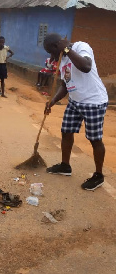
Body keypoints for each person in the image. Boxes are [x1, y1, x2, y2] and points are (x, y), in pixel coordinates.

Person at [44, 33, 108, 191]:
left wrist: (67, 50)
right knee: (66, 131)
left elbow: (86, 67)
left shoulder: (81, 47)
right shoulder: (62, 60)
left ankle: (98, 176)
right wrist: (52, 101)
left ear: (56, 46)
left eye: (51, 52)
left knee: (94, 139)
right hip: (75, 100)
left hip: (93, 101)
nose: (52, 56)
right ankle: (65, 166)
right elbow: (65, 85)